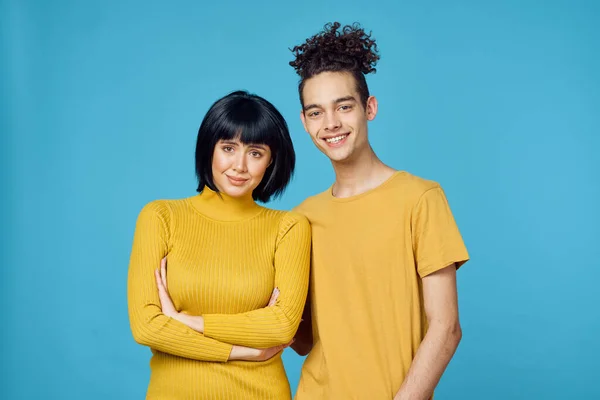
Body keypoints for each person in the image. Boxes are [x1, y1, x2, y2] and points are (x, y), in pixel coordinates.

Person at [288, 23, 470, 400]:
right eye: (316, 112)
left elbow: (446, 326)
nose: (331, 124)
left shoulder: (420, 198)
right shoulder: (302, 217)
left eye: (344, 106)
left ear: (369, 108)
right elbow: (303, 340)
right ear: (304, 122)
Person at [127, 90, 311, 399]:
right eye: (228, 148)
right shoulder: (161, 217)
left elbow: (281, 327)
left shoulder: (289, 227)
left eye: (255, 152)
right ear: (208, 148)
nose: (240, 165)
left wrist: (186, 321)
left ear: (271, 161)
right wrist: (242, 352)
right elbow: (146, 327)